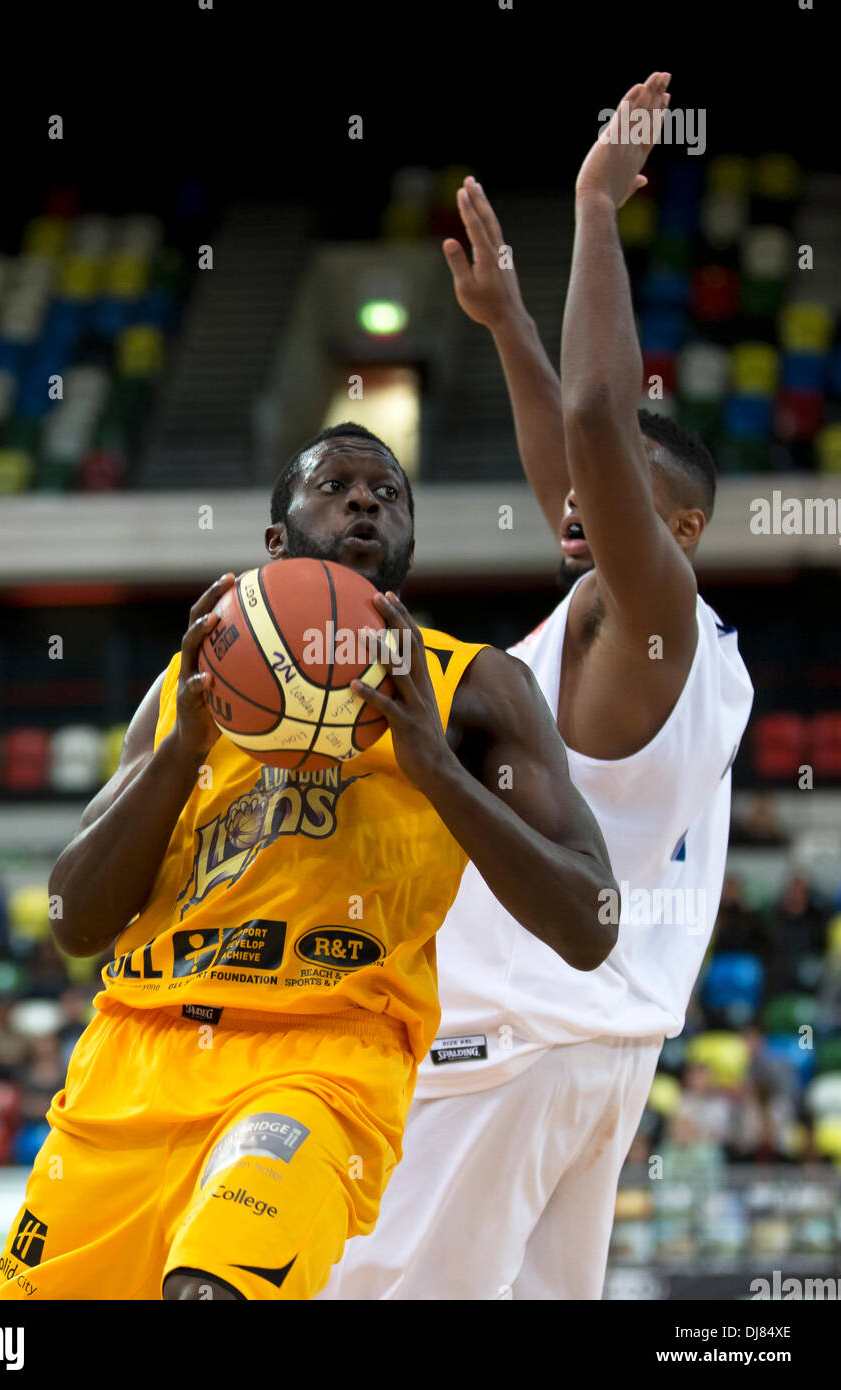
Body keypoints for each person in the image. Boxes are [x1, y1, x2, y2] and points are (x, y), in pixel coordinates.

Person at [0, 422, 618, 1302]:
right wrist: (180, 756)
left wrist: (437, 769)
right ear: (275, 542)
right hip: (135, 1054)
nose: (366, 499)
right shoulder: (190, 685)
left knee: (214, 1291)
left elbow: (591, 923)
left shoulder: (476, 687)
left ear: (407, 543)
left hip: (324, 1057)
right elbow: (75, 922)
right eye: (336, 486)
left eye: (388, 493)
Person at [324, 73, 754, 1302]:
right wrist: (504, 318)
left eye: (603, 492)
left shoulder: (654, 611)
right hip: (595, 1055)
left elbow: (594, 412)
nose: (569, 498)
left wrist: (593, 212)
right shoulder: (647, 636)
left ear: (671, 523)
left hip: (506, 1047)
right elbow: (568, 448)